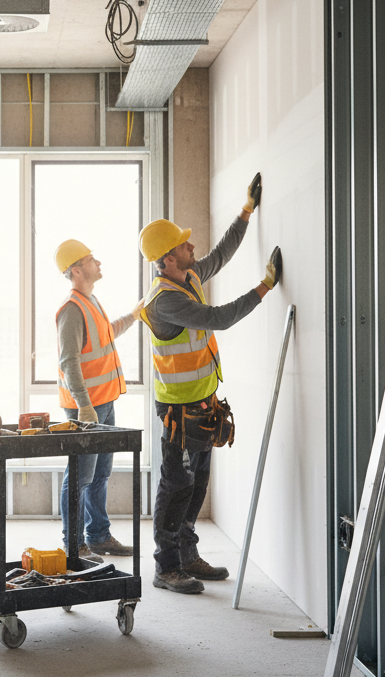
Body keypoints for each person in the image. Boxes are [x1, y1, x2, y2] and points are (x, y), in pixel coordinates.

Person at [138, 173, 282, 594]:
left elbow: (221, 253)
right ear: (167, 260)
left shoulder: (189, 277)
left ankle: (187, 555)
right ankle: (166, 567)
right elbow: (219, 318)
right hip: (177, 410)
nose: (192, 247)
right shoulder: (165, 301)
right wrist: (265, 286)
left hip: (202, 402)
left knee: (197, 482)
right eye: (184, 246)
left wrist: (247, 210)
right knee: (176, 484)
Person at [53, 239, 143, 562]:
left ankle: (99, 536)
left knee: (100, 474)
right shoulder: (72, 309)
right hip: (86, 409)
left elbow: (106, 334)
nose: (98, 262)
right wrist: (84, 405)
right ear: (76, 270)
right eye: (91, 259)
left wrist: (133, 316)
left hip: (103, 403)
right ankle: (74, 546)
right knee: (79, 477)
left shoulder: (91, 302)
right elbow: (69, 362)